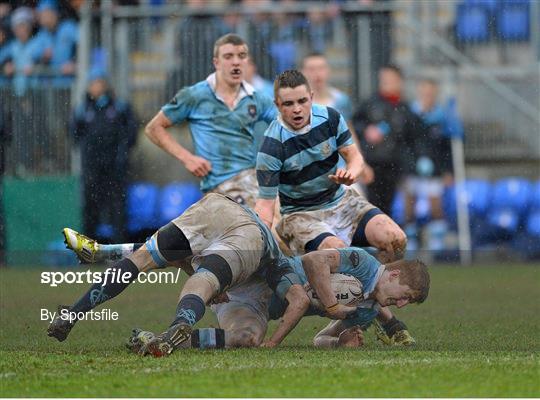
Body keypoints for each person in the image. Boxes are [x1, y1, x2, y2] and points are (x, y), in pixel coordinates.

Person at [48, 193, 354, 356]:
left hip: (213, 206)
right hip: (244, 235)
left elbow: (181, 257)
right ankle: (178, 328)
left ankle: (72, 312)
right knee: (206, 282)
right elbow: (299, 298)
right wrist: (277, 340)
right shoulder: (282, 263)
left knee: (145, 259)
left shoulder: (258, 290)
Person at [253, 69, 414, 345]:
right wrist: (259, 246)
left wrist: (351, 173)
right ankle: (381, 321)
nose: (297, 109)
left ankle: (363, 313)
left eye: (302, 101)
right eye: (288, 104)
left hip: (342, 200)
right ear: (277, 105)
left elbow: (355, 159)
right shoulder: (271, 146)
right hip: (302, 216)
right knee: (340, 255)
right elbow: (266, 206)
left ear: (311, 97)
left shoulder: (330, 118)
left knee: (396, 240)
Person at [125, 247, 429, 352]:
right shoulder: (360, 261)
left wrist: (338, 342)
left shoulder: (365, 313)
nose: (401, 305)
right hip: (259, 275)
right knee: (192, 257)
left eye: (407, 304)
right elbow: (312, 260)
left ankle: (162, 340)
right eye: (405, 297)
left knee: (244, 339)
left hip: (253, 307)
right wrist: (331, 304)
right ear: (392, 276)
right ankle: (126, 252)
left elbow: (318, 341)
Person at [145, 33, 276, 207]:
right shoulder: (195, 95)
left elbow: (289, 129)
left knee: (277, 221)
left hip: (253, 182)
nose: (236, 62)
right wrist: (187, 158)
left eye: (241, 56)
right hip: (218, 189)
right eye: (228, 57)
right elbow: (153, 128)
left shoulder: (259, 98)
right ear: (217, 63)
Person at [70, 67, 138, 242]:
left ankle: (119, 250)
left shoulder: (119, 107)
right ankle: (89, 252)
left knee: (117, 209)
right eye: (93, 83)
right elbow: (74, 134)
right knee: (90, 208)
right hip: (92, 168)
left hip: (115, 167)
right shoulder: (83, 109)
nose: (97, 86)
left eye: (100, 82)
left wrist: (121, 153)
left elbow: (131, 132)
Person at [352, 64, 424, 216]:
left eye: (390, 79)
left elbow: (414, 138)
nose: (386, 82)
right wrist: (366, 130)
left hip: (395, 166)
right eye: (383, 79)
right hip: (372, 163)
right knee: (371, 206)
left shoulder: (406, 108)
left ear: (399, 81)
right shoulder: (370, 103)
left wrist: (413, 161)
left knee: (391, 207)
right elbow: (353, 125)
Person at [404, 78, 463, 253]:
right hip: (412, 168)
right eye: (424, 93)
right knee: (409, 204)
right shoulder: (410, 115)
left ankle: (437, 244)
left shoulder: (442, 117)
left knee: (436, 205)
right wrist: (410, 164)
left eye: (430, 93)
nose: (426, 96)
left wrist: (447, 170)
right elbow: (405, 143)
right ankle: (411, 241)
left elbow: (446, 147)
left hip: (435, 169)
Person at [32, 0, 79, 86]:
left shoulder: (69, 28)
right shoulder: (42, 35)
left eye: (47, 13)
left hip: (70, 84)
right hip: (51, 88)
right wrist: (43, 58)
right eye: (41, 15)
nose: (44, 18)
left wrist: (75, 63)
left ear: (55, 13)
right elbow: (33, 57)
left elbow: (85, 47)